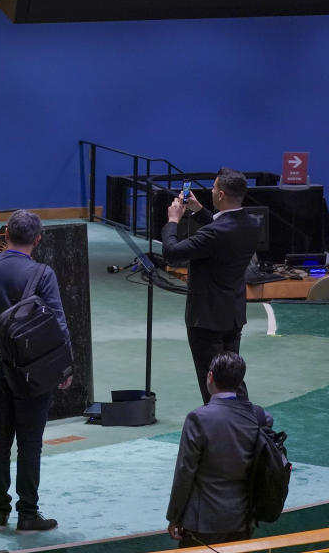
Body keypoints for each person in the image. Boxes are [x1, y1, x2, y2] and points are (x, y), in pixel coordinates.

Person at [0, 210, 73, 533]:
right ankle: (28, 513)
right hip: (31, 368)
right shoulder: (43, 274)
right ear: (38, 239)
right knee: (30, 442)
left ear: (5, 235)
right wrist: (66, 366)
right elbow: (58, 322)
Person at [161, 167, 262, 404]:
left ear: (221, 195)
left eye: (215, 188)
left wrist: (173, 220)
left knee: (214, 382)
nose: (212, 191)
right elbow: (223, 228)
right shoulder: (253, 223)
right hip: (232, 316)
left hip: (206, 320)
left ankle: (217, 428)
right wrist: (198, 210)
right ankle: (246, 425)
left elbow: (171, 253)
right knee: (232, 378)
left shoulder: (214, 234)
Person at [167, 351, 270, 547]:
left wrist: (174, 516)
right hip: (243, 518)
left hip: (203, 522)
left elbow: (185, 472)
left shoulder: (198, 418)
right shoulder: (258, 416)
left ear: (210, 376)